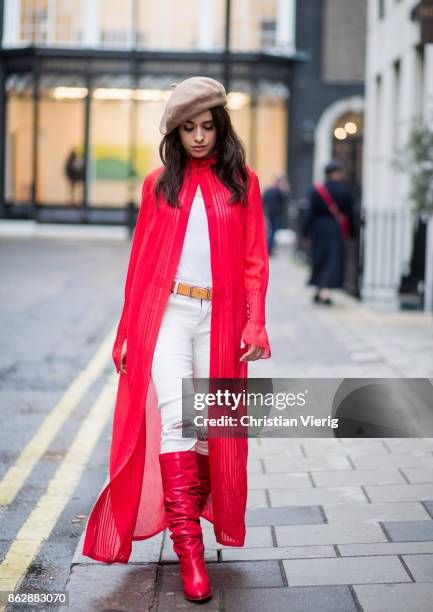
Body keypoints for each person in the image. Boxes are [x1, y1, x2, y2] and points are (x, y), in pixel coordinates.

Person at [82, 76, 271, 603]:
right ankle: (189, 550)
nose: (199, 137)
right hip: (168, 315)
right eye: (188, 128)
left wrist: (256, 322)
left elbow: (255, 260)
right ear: (175, 133)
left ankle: (183, 508)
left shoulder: (243, 183)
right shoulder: (157, 184)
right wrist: (125, 331)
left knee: (215, 428)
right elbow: (140, 262)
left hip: (224, 318)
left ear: (221, 126)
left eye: (208, 126)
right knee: (177, 418)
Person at [302, 160, 356, 305]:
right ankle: (326, 292)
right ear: (336, 173)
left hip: (318, 228)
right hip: (334, 228)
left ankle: (318, 289)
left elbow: (309, 213)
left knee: (319, 257)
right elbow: (349, 213)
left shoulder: (316, 190)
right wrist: (352, 232)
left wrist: (306, 233)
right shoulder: (344, 190)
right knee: (333, 259)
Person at [262, 174, 290, 255]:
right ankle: (269, 249)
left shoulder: (268, 190)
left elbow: (263, 201)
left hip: (268, 214)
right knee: (272, 232)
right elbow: (286, 199)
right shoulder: (279, 191)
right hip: (275, 215)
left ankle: (267, 248)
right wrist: (285, 189)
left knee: (270, 232)